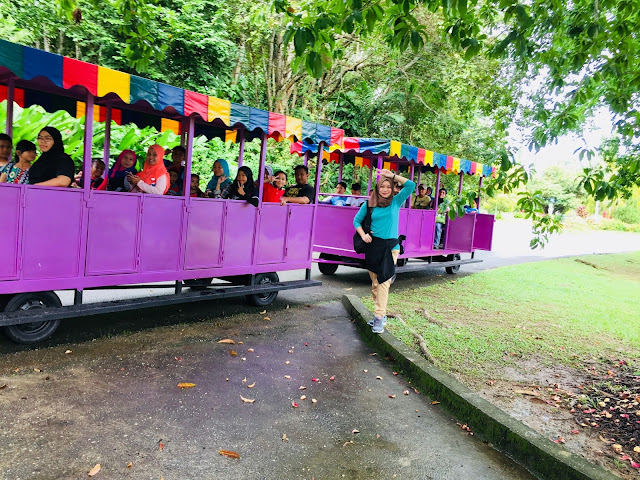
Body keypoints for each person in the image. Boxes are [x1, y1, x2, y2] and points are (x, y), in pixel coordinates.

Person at [353, 169, 415, 334]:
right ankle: (379, 313)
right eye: (382, 186)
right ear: (377, 188)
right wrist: (363, 235)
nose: (385, 189)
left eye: (388, 186)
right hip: (373, 247)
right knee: (375, 284)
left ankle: (379, 317)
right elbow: (356, 221)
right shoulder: (369, 204)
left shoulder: (396, 201)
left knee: (383, 282)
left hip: (390, 248)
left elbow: (411, 185)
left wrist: (392, 176)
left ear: (393, 188)